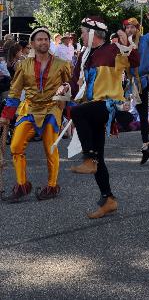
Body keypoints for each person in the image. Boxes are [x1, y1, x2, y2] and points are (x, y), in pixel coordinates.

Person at [56, 16, 139, 218]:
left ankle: (89, 158)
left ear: (92, 33)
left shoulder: (112, 49)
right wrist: (66, 88)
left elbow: (134, 61)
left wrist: (127, 43)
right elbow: (76, 82)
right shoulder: (85, 55)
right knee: (99, 157)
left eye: (83, 32)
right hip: (92, 105)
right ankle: (108, 198)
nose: (81, 36)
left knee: (77, 112)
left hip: (107, 104)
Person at [0, 28, 71, 202]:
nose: (43, 42)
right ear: (32, 43)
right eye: (39, 40)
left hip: (52, 109)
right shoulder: (23, 65)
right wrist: (6, 115)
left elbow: (71, 86)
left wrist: (67, 89)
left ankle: (52, 186)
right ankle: (22, 185)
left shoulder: (62, 64)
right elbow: (15, 92)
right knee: (15, 147)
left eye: (46, 39)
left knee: (50, 147)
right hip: (29, 109)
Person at [119, 8, 149, 164]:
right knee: (142, 114)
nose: (130, 29)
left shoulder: (145, 39)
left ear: (137, 28)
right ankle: (146, 146)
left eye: (132, 27)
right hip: (135, 83)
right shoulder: (124, 45)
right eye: (127, 27)